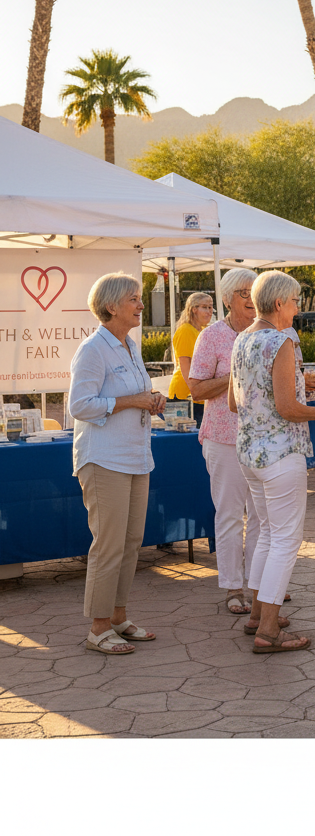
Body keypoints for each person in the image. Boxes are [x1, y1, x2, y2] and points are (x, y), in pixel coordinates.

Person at [228, 270, 315, 653]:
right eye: (294, 302)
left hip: (249, 452)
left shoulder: (242, 339)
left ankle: (259, 613)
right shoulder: (281, 341)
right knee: (285, 540)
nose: (296, 309)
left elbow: (231, 401)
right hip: (280, 454)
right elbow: (288, 407)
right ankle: (268, 629)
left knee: (268, 535)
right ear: (278, 304)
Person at [69, 272, 166, 655]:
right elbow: (80, 406)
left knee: (130, 542)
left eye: (140, 298)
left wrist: (151, 400)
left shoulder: (130, 346)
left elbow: (133, 394)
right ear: (111, 306)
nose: (141, 304)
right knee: (108, 545)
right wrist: (132, 401)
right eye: (134, 299)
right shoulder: (92, 349)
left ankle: (118, 618)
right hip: (103, 459)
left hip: (135, 457)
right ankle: (97, 628)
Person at [186, 268, 263, 616]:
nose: (251, 299)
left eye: (254, 292)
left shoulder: (270, 331)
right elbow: (197, 388)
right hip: (224, 439)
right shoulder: (212, 336)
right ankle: (234, 588)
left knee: (264, 517)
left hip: (263, 439)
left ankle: (263, 587)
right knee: (231, 515)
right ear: (228, 298)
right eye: (244, 293)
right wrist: (235, 376)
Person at [168, 291, 214, 426]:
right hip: (186, 396)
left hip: (200, 395)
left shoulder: (203, 330)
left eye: (211, 307)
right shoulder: (186, 330)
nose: (209, 311)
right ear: (194, 309)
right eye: (205, 307)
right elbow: (185, 365)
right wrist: (196, 391)